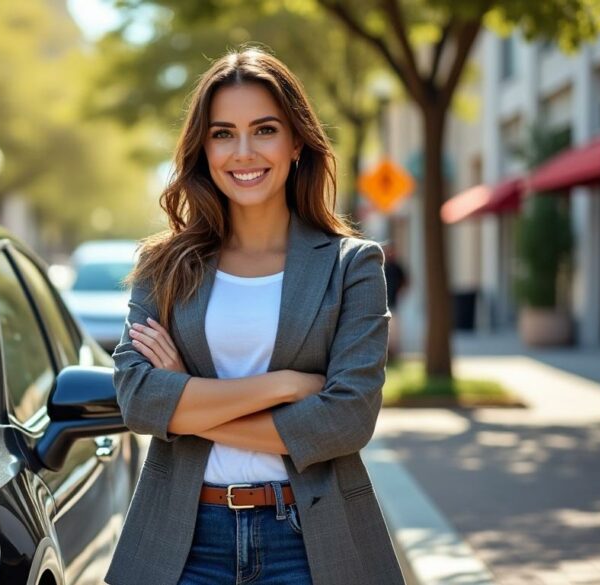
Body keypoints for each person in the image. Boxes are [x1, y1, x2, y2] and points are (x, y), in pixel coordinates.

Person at [105, 48, 404, 585]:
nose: (243, 152)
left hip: (310, 541)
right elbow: (138, 399)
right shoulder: (165, 264)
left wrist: (186, 399)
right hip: (184, 541)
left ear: (296, 143)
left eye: (263, 130)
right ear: (204, 148)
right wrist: (286, 385)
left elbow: (347, 419)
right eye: (223, 133)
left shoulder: (353, 266)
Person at [382, 242, 408, 362]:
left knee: (394, 329)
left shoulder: (397, 267)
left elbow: (406, 281)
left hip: (393, 303)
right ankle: (386, 351)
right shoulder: (382, 266)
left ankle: (394, 352)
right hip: (383, 304)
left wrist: (399, 292)